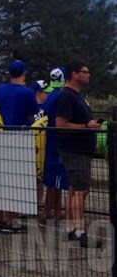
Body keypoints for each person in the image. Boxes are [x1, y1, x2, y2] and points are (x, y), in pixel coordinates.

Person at [0, 59, 39, 234]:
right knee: (15, 182)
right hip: (19, 138)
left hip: (0, 138)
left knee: (1, 179)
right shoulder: (28, 93)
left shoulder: (0, 90)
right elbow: (32, 116)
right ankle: (9, 220)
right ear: (24, 73)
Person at [55, 60, 102, 249]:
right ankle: (80, 231)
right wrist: (86, 126)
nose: (88, 74)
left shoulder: (79, 95)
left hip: (82, 148)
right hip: (74, 149)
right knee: (80, 190)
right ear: (74, 74)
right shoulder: (67, 96)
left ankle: (70, 228)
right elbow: (60, 124)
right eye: (85, 71)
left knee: (77, 189)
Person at [38, 67, 70, 228]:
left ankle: (55, 211)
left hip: (51, 140)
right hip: (57, 141)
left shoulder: (51, 95)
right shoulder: (62, 96)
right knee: (54, 180)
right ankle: (47, 212)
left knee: (53, 179)